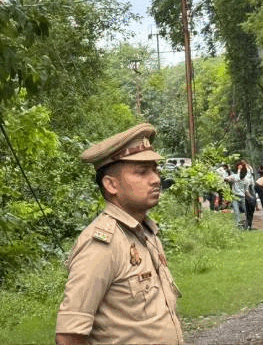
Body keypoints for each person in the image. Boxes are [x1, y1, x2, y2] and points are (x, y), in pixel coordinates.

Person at [56, 123, 184, 345]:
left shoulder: (145, 232)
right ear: (111, 185)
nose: (155, 179)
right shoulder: (102, 244)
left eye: (155, 170)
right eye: (142, 172)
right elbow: (69, 336)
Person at [226, 160, 256, 230]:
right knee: (236, 212)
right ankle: (238, 226)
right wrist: (227, 179)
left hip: (243, 197)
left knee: (247, 211)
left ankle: (248, 225)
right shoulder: (235, 177)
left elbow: (246, 191)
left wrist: (251, 198)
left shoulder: (246, 180)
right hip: (235, 197)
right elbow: (234, 178)